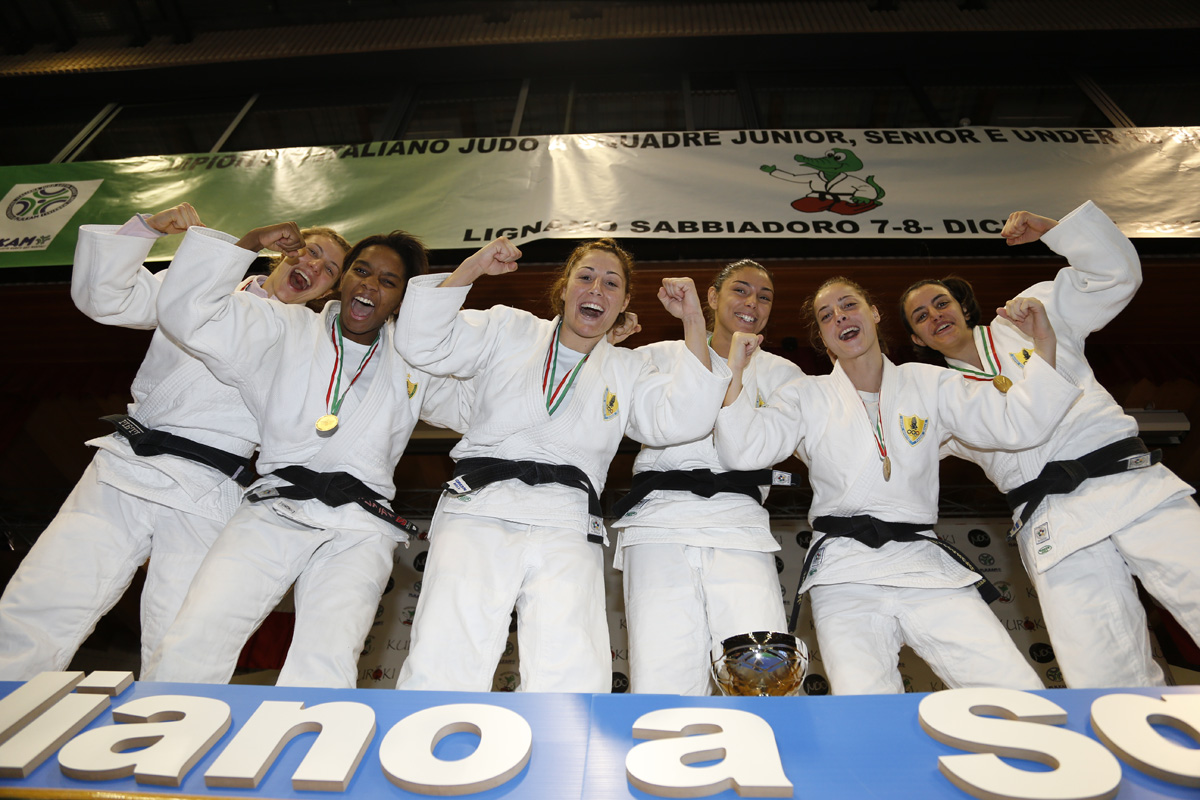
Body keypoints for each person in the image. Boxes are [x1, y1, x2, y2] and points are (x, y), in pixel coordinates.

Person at [0, 206, 347, 680]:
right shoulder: (199, 284)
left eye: (330, 270)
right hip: (128, 461)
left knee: (183, 637)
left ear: (329, 292)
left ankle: (171, 740)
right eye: (311, 252)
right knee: (46, 594)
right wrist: (147, 229)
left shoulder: (312, 339)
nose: (316, 267)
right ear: (281, 254)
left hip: (210, 487)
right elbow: (106, 298)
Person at [392, 237, 733, 693]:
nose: (597, 288)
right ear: (565, 287)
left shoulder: (628, 369)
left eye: (611, 283)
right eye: (586, 276)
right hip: (479, 506)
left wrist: (693, 317)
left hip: (568, 521)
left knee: (570, 668)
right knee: (446, 653)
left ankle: (564, 761)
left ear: (625, 302)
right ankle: (421, 760)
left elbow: (683, 418)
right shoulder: (509, 329)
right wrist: (473, 266)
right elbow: (422, 343)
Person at [713, 276, 1083, 695]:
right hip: (844, 572)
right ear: (823, 338)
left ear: (873, 314)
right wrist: (736, 372)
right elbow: (744, 453)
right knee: (864, 707)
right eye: (826, 316)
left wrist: (1043, 344)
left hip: (925, 564)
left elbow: (1019, 422)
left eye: (849, 305)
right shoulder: (805, 394)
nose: (840, 317)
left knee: (1015, 693)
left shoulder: (929, 382)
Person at [141, 224, 471, 688]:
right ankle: (159, 742)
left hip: (360, 526)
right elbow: (189, 315)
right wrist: (248, 242)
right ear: (344, 281)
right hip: (274, 504)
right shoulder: (285, 327)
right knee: (198, 632)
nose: (370, 284)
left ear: (401, 301)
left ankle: (313, 753)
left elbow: (479, 406)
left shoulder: (416, 362)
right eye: (361, 270)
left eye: (388, 281)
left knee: (327, 661)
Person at [900, 201, 1200, 688]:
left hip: (1129, 481)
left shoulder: (1029, 313)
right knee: (1103, 671)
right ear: (917, 339)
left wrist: (1059, 232)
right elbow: (884, 447)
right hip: (1051, 521)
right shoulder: (933, 398)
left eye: (940, 303)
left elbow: (1115, 275)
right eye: (920, 316)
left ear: (962, 306)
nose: (935, 315)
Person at [611, 259, 803, 695]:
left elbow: (757, 449)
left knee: (764, 673)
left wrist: (733, 373)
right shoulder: (654, 357)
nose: (752, 301)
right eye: (740, 290)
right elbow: (612, 404)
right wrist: (605, 340)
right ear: (713, 297)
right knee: (663, 672)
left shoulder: (784, 375)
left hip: (740, 526)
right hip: (658, 523)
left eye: (764, 296)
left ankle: (761, 759)